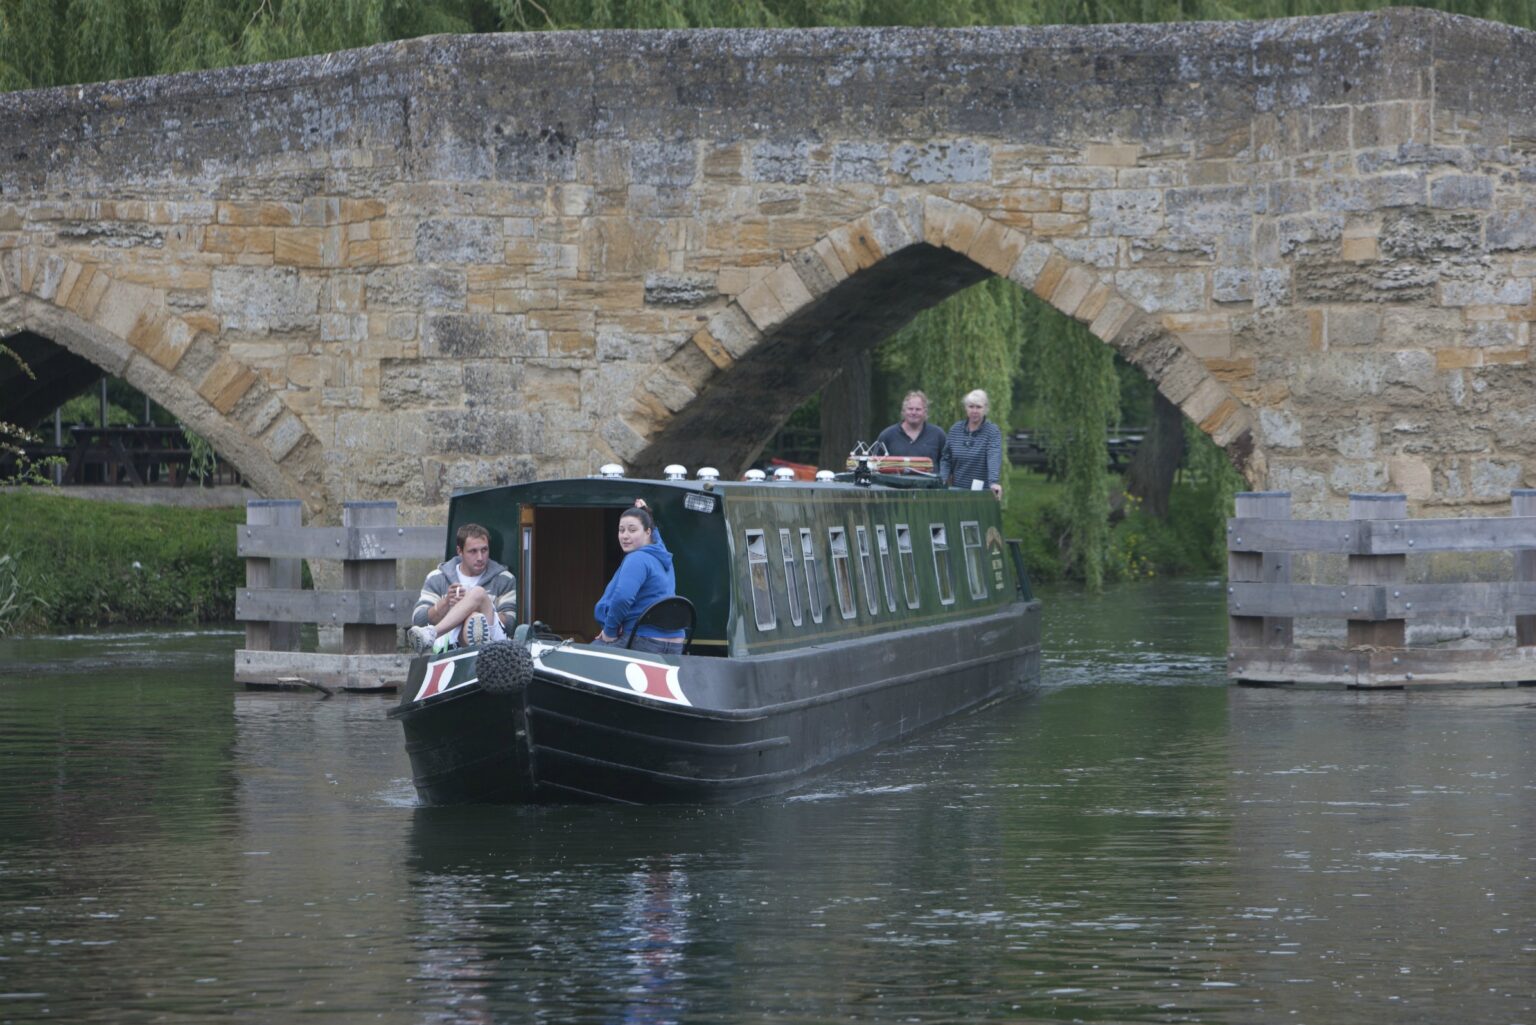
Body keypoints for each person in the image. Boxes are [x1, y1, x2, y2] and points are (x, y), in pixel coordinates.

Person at [408, 523, 517, 654]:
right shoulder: (437, 577)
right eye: (473, 551)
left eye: (484, 550)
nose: (480, 557)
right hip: (450, 643)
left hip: (494, 641)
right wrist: (446, 603)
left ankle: (432, 633)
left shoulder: (504, 578)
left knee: (478, 595)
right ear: (460, 551)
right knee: (474, 618)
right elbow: (418, 619)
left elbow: (510, 624)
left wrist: (474, 605)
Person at [594, 501, 685, 655]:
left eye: (632, 530)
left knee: (580, 661)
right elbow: (656, 538)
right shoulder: (662, 555)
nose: (625, 536)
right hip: (675, 644)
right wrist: (646, 513)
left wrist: (609, 632)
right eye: (621, 530)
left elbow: (623, 598)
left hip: (642, 640)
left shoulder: (637, 558)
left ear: (647, 532)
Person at [938, 389, 1005, 500]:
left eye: (978, 407)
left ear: (985, 409)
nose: (974, 411)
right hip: (956, 491)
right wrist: (943, 479)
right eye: (971, 406)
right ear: (966, 408)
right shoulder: (955, 429)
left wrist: (993, 482)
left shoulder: (992, 431)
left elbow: (994, 456)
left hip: (981, 494)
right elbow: (946, 458)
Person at [874, 389, 947, 470]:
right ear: (903, 411)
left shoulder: (938, 435)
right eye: (910, 409)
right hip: (895, 482)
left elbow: (946, 465)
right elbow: (875, 466)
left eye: (918, 409)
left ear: (925, 412)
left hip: (930, 482)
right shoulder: (887, 435)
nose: (913, 412)